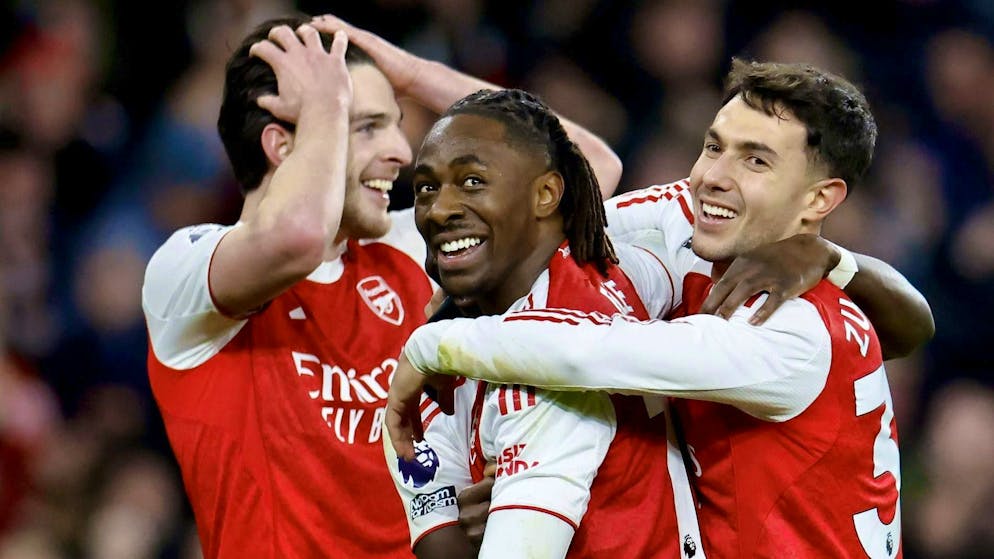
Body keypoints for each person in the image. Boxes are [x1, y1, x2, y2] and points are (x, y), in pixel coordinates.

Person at [388, 59, 933, 557]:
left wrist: (434, 346)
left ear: (819, 200)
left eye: (756, 160)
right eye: (714, 146)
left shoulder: (791, 330)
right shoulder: (693, 219)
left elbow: (589, 352)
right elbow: (561, 229)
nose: (713, 176)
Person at [140, 13, 625, 559]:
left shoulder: (406, 249)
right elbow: (297, 235)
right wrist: (327, 104)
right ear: (281, 145)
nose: (402, 150)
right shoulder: (185, 272)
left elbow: (586, 170)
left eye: (396, 122)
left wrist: (415, 74)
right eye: (367, 127)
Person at [383, 88, 704, 558]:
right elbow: (436, 512)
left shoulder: (540, 381)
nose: (439, 209)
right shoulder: (632, 266)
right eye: (426, 187)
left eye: (472, 181)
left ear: (547, 194)